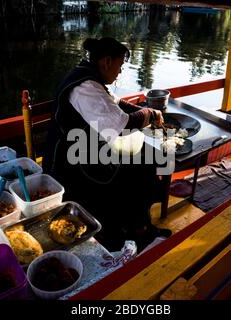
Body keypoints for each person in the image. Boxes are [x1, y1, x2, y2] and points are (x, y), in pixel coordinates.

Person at [44, 37, 171, 251]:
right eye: (120, 65)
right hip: (71, 164)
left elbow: (115, 103)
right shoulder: (85, 87)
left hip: (84, 148)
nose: (120, 71)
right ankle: (138, 232)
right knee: (141, 167)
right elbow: (119, 127)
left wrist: (143, 111)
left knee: (145, 159)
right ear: (107, 61)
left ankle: (137, 225)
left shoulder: (89, 76)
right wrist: (149, 113)